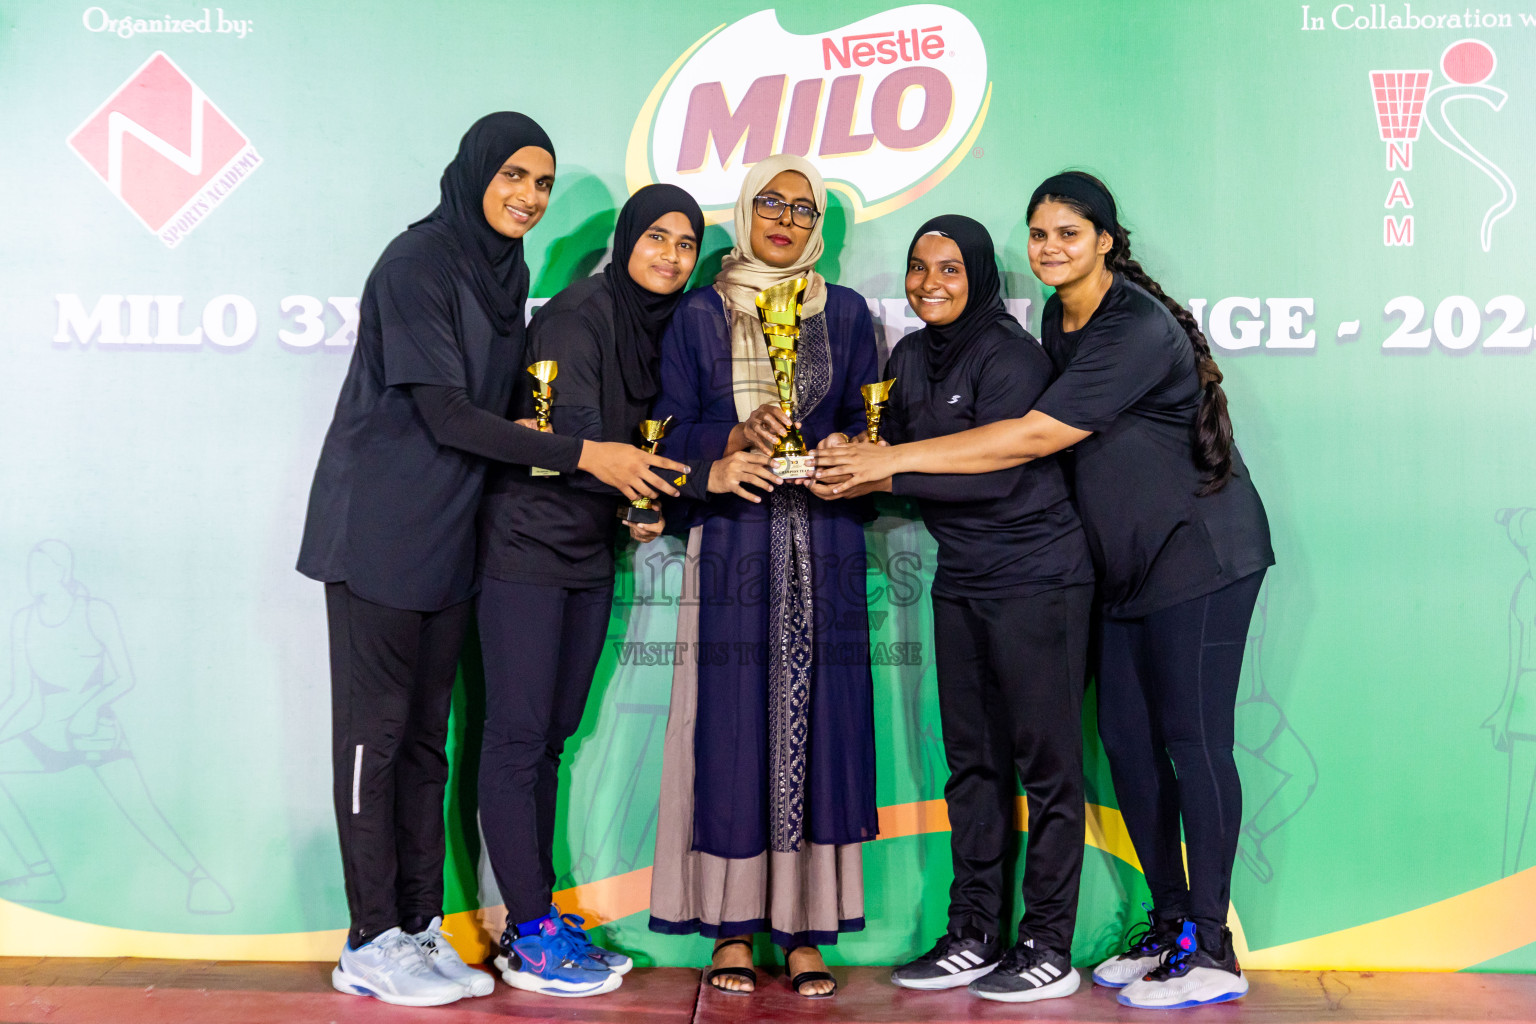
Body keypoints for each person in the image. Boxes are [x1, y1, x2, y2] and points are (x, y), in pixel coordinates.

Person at [814, 172, 1274, 1010]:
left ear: (1105, 239)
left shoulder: (1130, 324)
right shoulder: (1061, 325)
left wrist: (888, 461)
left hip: (1200, 557)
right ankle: (1170, 927)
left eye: (1068, 233)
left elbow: (1033, 436)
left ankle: (1212, 945)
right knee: (1130, 751)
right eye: (1040, 234)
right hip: (1121, 569)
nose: (1051, 248)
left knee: (1193, 742)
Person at [296, 113, 687, 1009]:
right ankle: (367, 940)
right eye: (516, 175)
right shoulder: (417, 263)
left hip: (452, 538)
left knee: (429, 745)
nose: (530, 197)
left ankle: (417, 926)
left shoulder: (500, 271)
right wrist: (593, 458)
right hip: (379, 532)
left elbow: (511, 417)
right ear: (474, 171)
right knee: (376, 742)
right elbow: (445, 415)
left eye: (543, 185)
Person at [818, 216, 1094, 1002]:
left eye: (949, 269)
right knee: (971, 765)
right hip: (963, 579)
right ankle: (974, 931)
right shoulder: (906, 357)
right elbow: (889, 457)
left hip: (1039, 578)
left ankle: (1046, 941)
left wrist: (882, 476)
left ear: (977, 276)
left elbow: (996, 473)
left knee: (1047, 770)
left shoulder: (1012, 356)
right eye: (917, 268)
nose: (930, 283)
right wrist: (838, 468)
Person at [646, 154, 880, 999]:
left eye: (804, 210)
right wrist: (733, 437)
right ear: (745, 212)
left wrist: (850, 446)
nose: (785, 219)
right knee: (732, 727)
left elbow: (867, 418)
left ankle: (809, 932)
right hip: (735, 539)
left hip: (826, 542)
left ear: (819, 227)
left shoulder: (845, 313)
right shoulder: (699, 316)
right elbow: (665, 432)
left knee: (825, 728)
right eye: (770, 203)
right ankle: (733, 930)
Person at [474, 183, 710, 997]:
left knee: (549, 739)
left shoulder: (658, 328)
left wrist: (641, 509)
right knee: (517, 737)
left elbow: (626, 455)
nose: (672, 256)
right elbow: (576, 438)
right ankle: (528, 931)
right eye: (658, 238)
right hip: (525, 550)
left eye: (686, 244)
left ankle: (533, 918)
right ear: (628, 238)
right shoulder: (580, 317)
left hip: (582, 554)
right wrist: (635, 487)